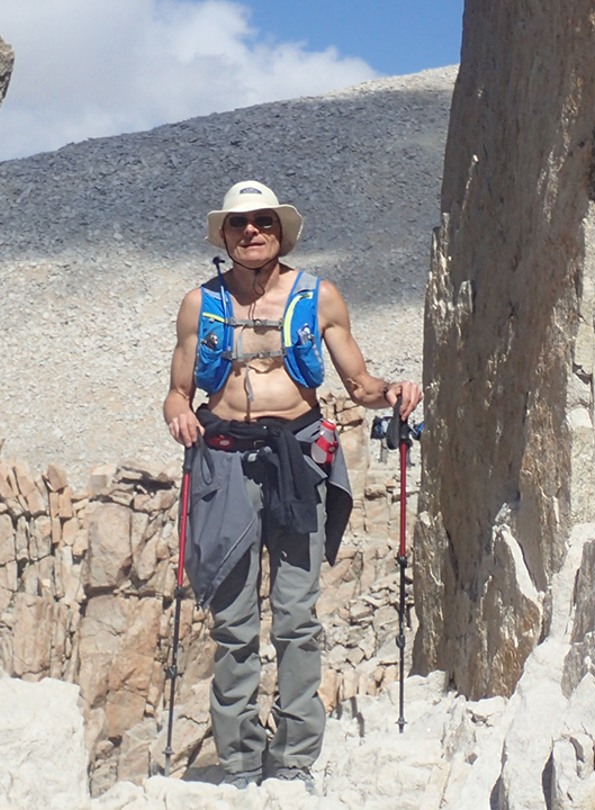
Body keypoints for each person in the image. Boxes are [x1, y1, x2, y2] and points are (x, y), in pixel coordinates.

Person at [163, 180, 422, 791]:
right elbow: (178, 390)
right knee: (233, 621)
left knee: (296, 616)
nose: (251, 231)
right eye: (239, 223)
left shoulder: (320, 297)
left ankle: (295, 758)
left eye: (263, 221)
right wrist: (176, 412)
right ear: (224, 235)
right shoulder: (200, 304)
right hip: (224, 458)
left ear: (281, 231)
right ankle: (239, 762)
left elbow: (358, 385)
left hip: (298, 461)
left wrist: (393, 391)